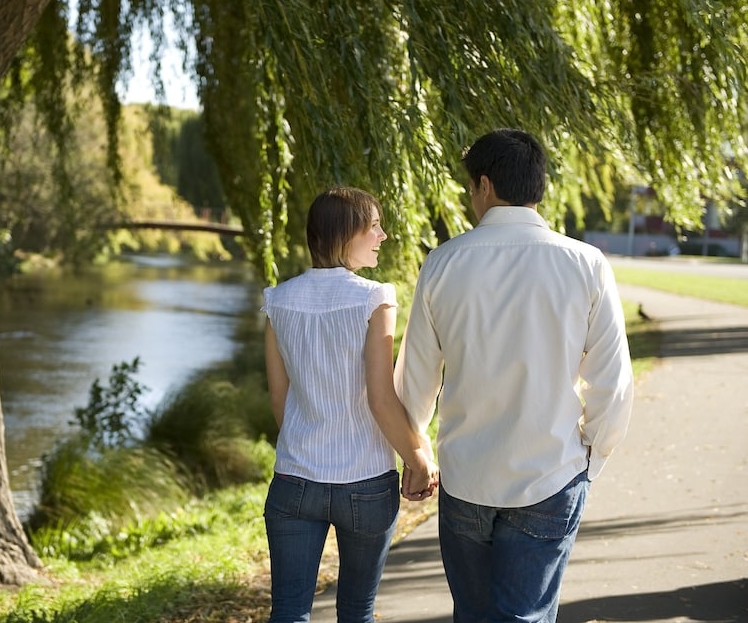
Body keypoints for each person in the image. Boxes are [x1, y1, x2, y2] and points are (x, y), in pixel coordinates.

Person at [395, 128, 634, 622]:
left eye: (469, 188)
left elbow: (415, 378)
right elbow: (612, 382)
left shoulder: (441, 264)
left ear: (484, 185)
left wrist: (414, 452)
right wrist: (591, 458)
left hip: (466, 476)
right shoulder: (586, 264)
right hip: (550, 471)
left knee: (473, 615)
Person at [261, 186, 439, 623]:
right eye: (374, 225)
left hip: (294, 480)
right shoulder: (374, 297)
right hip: (365, 482)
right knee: (357, 612)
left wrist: (305, 448)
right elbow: (380, 399)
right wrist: (418, 458)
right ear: (346, 233)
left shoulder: (277, 300)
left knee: (288, 611)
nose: (383, 235)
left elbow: (280, 398)